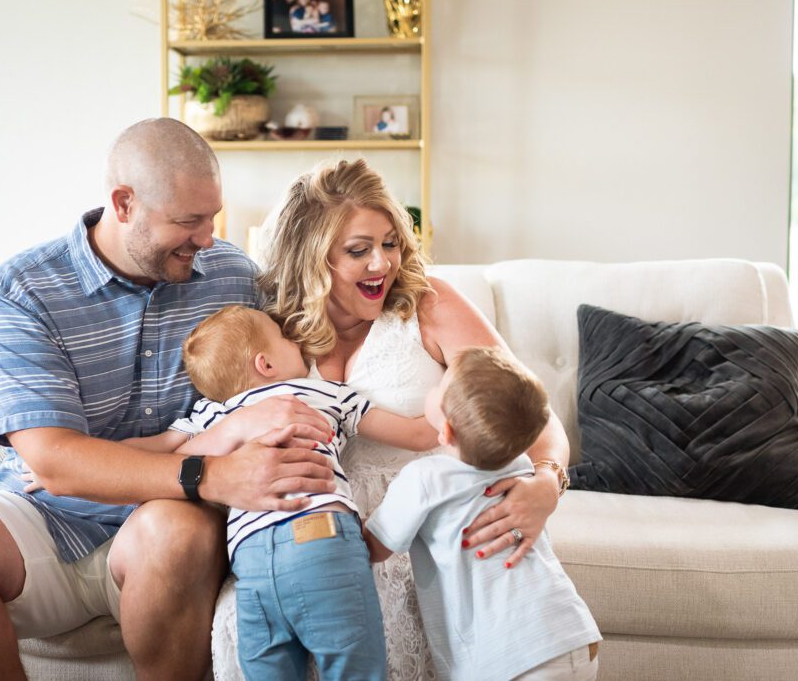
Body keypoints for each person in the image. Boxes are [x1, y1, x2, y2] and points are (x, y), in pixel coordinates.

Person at [0, 118, 337, 680]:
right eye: (188, 221)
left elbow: (315, 344)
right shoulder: (23, 289)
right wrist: (210, 474)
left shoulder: (232, 277)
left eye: (212, 216)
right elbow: (54, 461)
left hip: (168, 529)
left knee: (174, 532)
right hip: (45, 518)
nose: (207, 237)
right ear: (124, 203)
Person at [253, 158, 572, 677]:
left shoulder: (429, 305)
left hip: (431, 528)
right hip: (330, 534)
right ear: (312, 258)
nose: (382, 264)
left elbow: (531, 414)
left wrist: (547, 484)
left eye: (391, 242)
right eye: (358, 250)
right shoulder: (272, 332)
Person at [171, 305, 438, 679]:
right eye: (284, 337)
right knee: (353, 667)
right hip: (321, 538)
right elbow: (419, 434)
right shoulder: (325, 392)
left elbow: (170, 460)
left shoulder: (213, 414)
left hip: (249, 554)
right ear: (265, 364)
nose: (294, 340)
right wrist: (452, 394)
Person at [364, 346, 601, 680]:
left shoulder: (426, 479)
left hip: (513, 658)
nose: (433, 388)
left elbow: (373, 545)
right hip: (572, 634)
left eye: (440, 385)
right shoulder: (521, 468)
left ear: (446, 431)